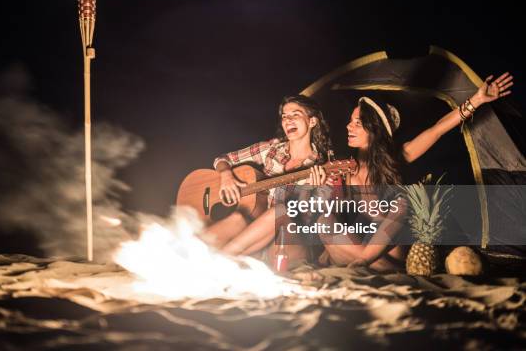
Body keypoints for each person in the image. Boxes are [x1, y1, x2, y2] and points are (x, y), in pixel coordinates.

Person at [316, 72, 515, 271]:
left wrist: (477, 99)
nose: (348, 126)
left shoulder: (397, 158)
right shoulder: (343, 169)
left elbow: (437, 129)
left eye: (358, 123)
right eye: (351, 121)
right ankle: (367, 264)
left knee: (402, 204)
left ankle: (365, 262)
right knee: (324, 220)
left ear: (375, 129)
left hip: (389, 249)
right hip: (356, 244)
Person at [202, 95, 334, 260]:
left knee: (280, 211)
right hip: (254, 239)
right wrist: (226, 175)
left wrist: (312, 190)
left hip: (287, 244)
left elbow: (314, 224)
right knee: (237, 218)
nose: (288, 121)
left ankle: (217, 260)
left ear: (312, 121)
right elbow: (222, 159)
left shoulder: (322, 168)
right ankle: (189, 255)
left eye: (296, 115)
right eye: (285, 117)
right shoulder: (270, 150)